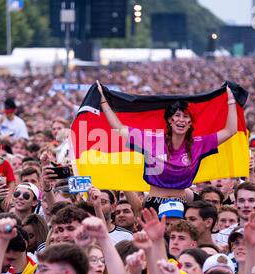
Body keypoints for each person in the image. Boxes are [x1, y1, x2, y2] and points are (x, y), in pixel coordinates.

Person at [96, 80, 238, 211]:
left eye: (186, 116)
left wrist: (231, 100)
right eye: (177, 115)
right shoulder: (151, 140)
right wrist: (103, 102)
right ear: (170, 120)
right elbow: (119, 128)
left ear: (190, 122)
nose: (181, 120)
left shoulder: (198, 144)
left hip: (181, 206)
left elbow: (230, 130)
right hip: (154, 205)